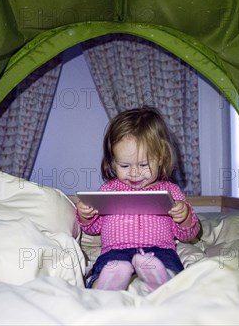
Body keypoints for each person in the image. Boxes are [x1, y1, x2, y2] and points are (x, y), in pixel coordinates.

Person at [76, 106, 200, 292]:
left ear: (160, 158)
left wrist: (185, 217)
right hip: (115, 250)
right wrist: (86, 215)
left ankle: (163, 281)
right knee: (107, 267)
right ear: (112, 162)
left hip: (159, 250)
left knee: (169, 266)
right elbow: (93, 228)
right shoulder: (109, 189)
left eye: (143, 164)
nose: (134, 173)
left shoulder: (171, 191)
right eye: (124, 165)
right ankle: (104, 286)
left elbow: (188, 234)